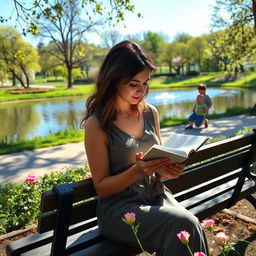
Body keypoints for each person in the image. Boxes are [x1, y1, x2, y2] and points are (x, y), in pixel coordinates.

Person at [81, 40, 208, 256]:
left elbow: (156, 169)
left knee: (192, 227)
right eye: (133, 83)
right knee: (183, 224)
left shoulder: (151, 113)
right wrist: (137, 171)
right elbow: (102, 187)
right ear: (113, 80)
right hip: (120, 210)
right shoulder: (97, 124)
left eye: (146, 83)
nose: (142, 90)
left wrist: (166, 170)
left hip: (155, 196)